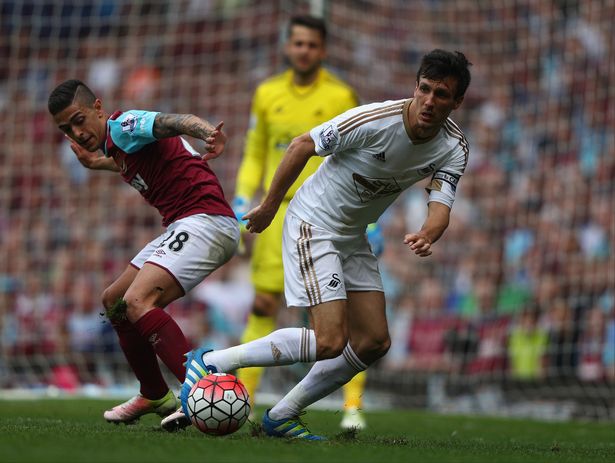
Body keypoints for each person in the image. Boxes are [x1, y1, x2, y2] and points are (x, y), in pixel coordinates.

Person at [181, 48, 472, 440]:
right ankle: (212, 361)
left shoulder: (454, 148)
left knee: (372, 342)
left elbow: (440, 204)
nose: (430, 101)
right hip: (312, 222)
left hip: (352, 234)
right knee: (330, 340)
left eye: (441, 95)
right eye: (425, 89)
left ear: (457, 102)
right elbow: (302, 144)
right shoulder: (375, 120)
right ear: (415, 87)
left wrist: (428, 233)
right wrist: (268, 206)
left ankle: (282, 414)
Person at [47, 79, 239, 427]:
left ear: (98, 108)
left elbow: (172, 121)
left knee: (137, 301)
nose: (76, 132)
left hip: (206, 220)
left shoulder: (125, 125)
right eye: (66, 129)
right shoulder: (118, 145)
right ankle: (154, 393)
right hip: (186, 224)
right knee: (115, 301)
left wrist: (207, 132)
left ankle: (201, 391)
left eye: (79, 120)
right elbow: (124, 162)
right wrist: (95, 164)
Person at [230, 15, 374, 429]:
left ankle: (352, 407)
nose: (304, 50)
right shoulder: (266, 93)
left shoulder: (341, 95)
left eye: (312, 44)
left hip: (331, 214)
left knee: (340, 314)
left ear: (323, 50)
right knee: (263, 303)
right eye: (298, 43)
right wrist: (243, 197)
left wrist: (369, 218)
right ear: (287, 47)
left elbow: (359, 155)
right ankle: (245, 401)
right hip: (277, 212)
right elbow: (255, 150)